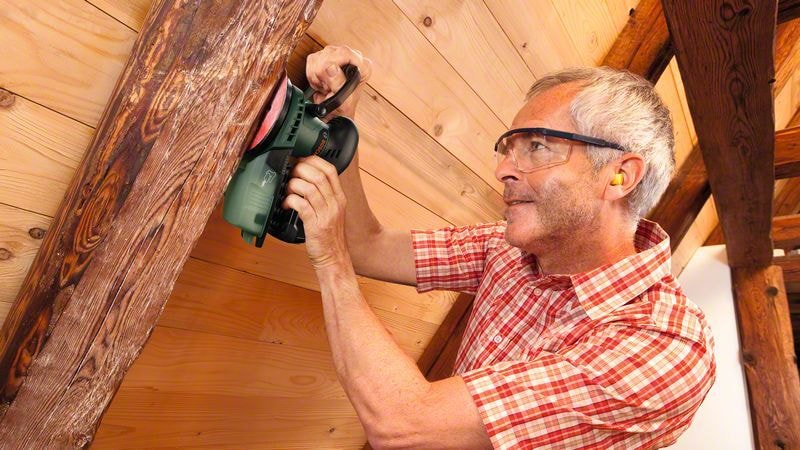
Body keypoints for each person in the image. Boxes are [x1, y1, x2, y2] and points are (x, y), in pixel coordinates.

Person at [284, 45, 716, 449]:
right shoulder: (511, 247)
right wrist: (341, 122)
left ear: (620, 176)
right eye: (508, 150)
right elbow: (366, 246)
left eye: (537, 146)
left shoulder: (667, 349)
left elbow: (404, 422)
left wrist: (331, 264)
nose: (503, 170)